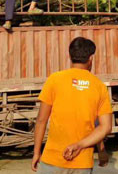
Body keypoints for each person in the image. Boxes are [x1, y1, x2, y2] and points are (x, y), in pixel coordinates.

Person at [31, 37, 113, 173]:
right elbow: (104, 127)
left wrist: (36, 153)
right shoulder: (99, 86)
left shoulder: (54, 80)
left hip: (52, 160)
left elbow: (41, 120)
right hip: (82, 163)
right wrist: (80, 145)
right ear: (91, 58)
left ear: (69, 56)